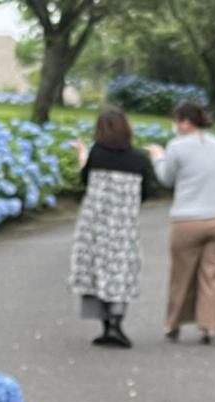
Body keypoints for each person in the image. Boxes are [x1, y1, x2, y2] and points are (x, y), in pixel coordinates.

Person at [69, 108, 156, 349]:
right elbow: (146, 192)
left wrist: (81, 155)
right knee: (120, 271)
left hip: (94, 226)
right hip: (124, 226)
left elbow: (85, 180)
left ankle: (106, 327)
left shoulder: (96, 155)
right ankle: (117, 323)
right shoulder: (140, 159)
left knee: (94, 272)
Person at [147, 100, 215, 345]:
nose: (175, 126)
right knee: (212, 274)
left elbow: (166, 178)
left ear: (185, 122)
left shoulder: (177, 146)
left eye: (176, 121)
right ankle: (210, 327)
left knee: (181, 274)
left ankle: (173, 324)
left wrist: (157, 157)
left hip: (188, 218)